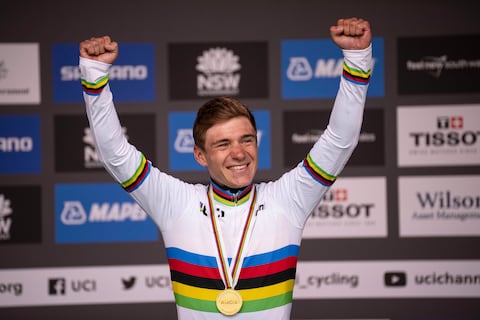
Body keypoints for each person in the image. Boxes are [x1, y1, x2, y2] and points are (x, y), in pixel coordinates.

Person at [79, 17, 372, 320]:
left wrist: (357, 60)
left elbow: (340, 141)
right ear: (200, 155)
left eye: (247, 140)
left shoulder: (288, 200)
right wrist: (95, 74)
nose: (238, 153)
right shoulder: (176, 203)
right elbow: (115, 154)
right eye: (222, 144)